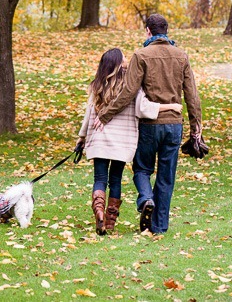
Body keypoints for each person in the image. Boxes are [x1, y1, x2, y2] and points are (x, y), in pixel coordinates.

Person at [95, 14, 202, 235]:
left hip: (149, 125)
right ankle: (159, 227)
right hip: (174, 125)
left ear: (148, 31)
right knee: (166, 176)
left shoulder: (141, 55)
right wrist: (196, 130)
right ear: (167, 31)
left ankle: (145, 199)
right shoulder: (181, 56)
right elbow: (192, 95)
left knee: (142, 169)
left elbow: (128, 91)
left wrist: (105, 114)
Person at [77, 47, 182, 235]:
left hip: (99, 140)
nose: (127, 60)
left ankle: (99, 212)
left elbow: (88, 115)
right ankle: (109, 223)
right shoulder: (131, 84)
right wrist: (171, 106)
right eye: (124, 58)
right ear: (118, 63)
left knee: (99, 179)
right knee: (115, 180)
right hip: (122, 143)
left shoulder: (97, 85)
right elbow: (144, 108)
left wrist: (81, 138)